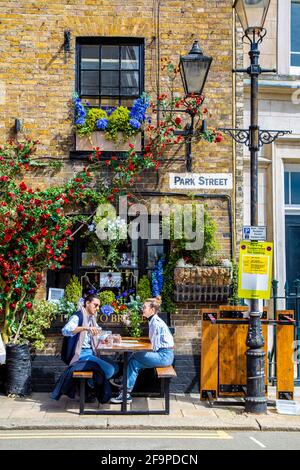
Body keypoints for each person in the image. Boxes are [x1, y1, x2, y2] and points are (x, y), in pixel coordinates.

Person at [110, 295, 174, 404]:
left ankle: (123, 383)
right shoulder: (152, 320)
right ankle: (126, 393)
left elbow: (154, 347)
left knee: (133, 355)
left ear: (152, 310)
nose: (142, 309)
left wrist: (137, 349)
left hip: (164, 356)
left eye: (144, 307)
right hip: (161, 354)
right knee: (134, 363)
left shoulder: (156, 323)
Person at [61, 294, 118, 380]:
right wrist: (85, 328)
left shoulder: (92, 318)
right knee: (109, 370)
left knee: (115, 367)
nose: (98, 308)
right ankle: (90, 385)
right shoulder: (77, 316)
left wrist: (111, 337)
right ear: (87, 303)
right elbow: (65, 331)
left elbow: (98, 333)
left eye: (99, 306)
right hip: (80, 355)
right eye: (95, 305)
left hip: (92, 352)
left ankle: (93, 386)